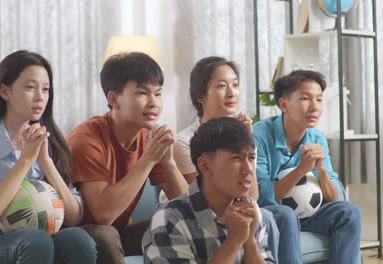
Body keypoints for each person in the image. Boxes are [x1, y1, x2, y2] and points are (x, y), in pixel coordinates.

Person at [0, 50, 97, 264]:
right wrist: (25, 161)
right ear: (5, 91)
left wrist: (45, 162)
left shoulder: (49, 141)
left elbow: (74, 218)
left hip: (36, 243)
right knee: (36, 240)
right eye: (30, 87)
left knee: (78, 239)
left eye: (46, 89)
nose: (40, 97)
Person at [67, 52, 189, 263]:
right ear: (114, 99)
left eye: (158, 94)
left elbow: (189, 208)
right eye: (142, 93)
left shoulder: (148, 137)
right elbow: (103, 216)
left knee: (177, 222)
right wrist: (148, 160)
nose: (154, 103)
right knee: (106, 235)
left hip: (116, 233)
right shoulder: (86, 139)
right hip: (75, 238)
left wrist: (168, 163)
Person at [172, 56, 297, 262]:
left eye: (235, 85)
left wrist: (247, 141)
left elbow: (251, 196)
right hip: (198, 214)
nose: (232, 92)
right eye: (222, 86)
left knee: (274, 214)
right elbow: (205, 195)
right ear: (200, 95)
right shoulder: (185, 142)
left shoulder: (243, 135)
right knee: (267, 216)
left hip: (233, 204)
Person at [253, 70, 362, 263]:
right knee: (286, 214)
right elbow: (262, 195)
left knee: (349, 211)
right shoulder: (259, 135)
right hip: (272, 213)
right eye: (305, 99)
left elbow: (333, 197)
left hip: (308, 213)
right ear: (283, 104)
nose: (315, 107)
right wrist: (301, 170)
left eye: (319, 100)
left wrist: (321, 171)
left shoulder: (317, 137)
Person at [143, 117, 275, 263]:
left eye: (251, 157)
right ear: (204, 166)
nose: (249, 169)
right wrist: (233, 242)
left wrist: (250, 242)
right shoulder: (169, 219)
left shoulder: (248, 209)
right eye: (236, 158)